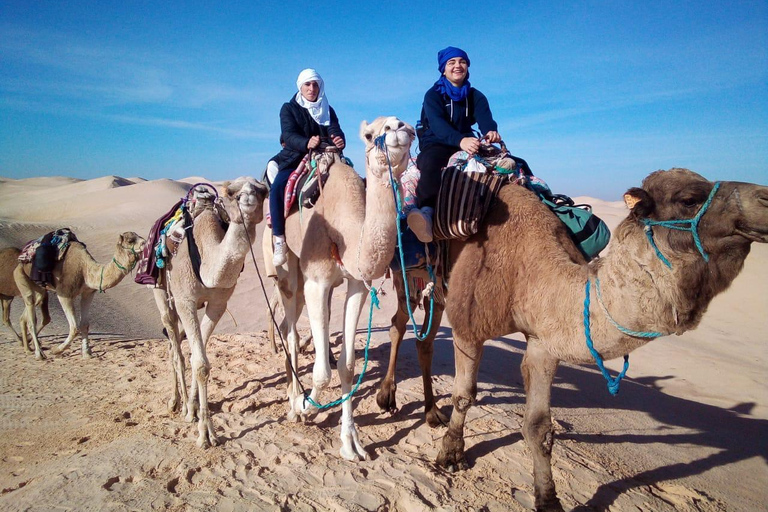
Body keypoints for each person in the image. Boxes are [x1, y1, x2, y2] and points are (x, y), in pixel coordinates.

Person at [408, 46, 501, 243]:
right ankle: (427, 212)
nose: (458, 66)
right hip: (437, 141)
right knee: (431, 163)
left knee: (509, 163)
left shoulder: (475, 96)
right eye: (452, 62)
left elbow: (485, 118)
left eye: (462, 62)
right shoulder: (433, 95)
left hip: (468, 141)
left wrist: (490, 131)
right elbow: (438, 126)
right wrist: (460, 141)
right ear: (443, 69)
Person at [270, 68, 346, 266]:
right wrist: (306, 143)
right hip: (295, 156)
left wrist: (339, 139)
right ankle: (279, 237)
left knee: (351, 181)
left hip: (326, 154)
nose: (312, 88)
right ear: (300, 87)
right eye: (308, 84)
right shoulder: (289, 109)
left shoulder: (327, 109)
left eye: (315, 84)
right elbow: (288, 135)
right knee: (278, 186)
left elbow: (334, 128)